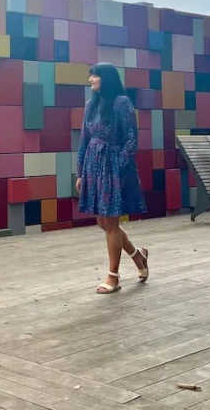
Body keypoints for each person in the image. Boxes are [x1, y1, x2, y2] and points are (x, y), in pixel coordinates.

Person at [76, 63, 149, 293]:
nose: (90, 79)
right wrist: (80, 172)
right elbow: (84, 139)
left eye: (95, 76)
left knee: (111, 223)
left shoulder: (121, 102)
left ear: (106, 78)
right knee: (103, 222)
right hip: (93, 165)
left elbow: (131, 139)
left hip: (113, 166)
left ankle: (113, 277)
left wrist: (118, 165)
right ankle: (138, 257)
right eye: (90, 76)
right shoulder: (91, 105)